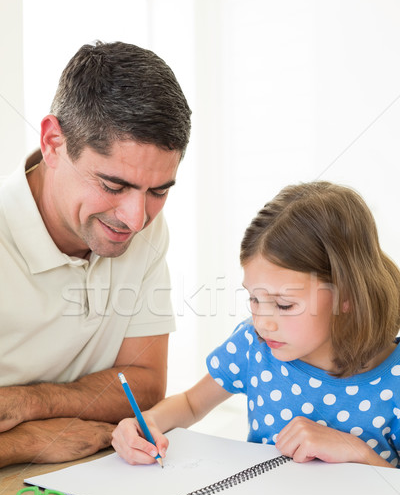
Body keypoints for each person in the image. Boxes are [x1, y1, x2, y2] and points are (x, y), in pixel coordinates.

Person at [112, 181, 400, 469]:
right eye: (254, 299)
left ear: (346, 296)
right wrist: (145, 424)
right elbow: (191, 404)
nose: (261, 322)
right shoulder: (254, 346)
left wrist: (358, 452)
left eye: (284, 305)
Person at [0, 41, 191, 467]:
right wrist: (27, 442)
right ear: (53, 142)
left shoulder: (147, 228)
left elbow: (143, 385)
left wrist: (31, 404)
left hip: (91, 466)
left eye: (159, 191)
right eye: (113, 185)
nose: (137, 218)